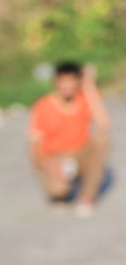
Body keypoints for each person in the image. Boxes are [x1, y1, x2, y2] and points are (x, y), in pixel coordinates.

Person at [27, 62, 111, 217]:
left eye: (73, 80)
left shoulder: (85, 98)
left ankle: (86, 198)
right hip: (56, 156)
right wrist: (47, 165)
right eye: (63, 81)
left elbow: (104, 124)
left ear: (78, 81)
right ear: (55, 82)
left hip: (81, 152)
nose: (68, 85)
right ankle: (62, 190)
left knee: (102, 140)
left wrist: (89, 85)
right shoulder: (43, 106)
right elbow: (34, 143)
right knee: (58, 191)